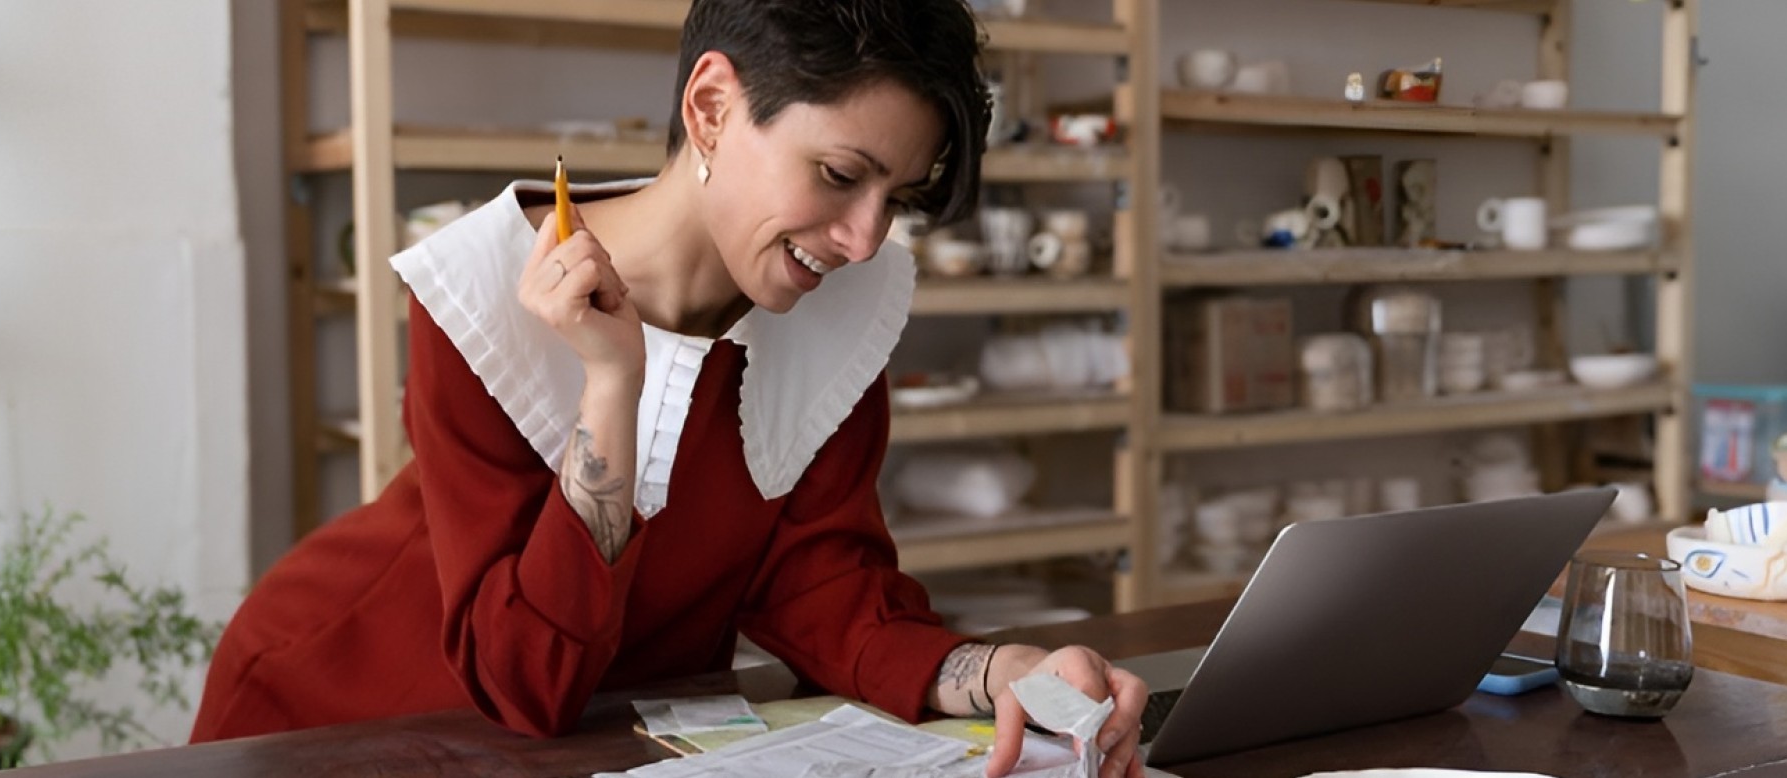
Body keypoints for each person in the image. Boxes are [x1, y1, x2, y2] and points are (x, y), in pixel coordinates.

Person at [190, 1, 1146, 775]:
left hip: (608, 738)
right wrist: (612, 383)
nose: (862, 239)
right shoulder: (481, 291)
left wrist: (1004, 671)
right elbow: (527, 683)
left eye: (892, 199)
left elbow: (829, 592)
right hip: (343, 715)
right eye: (839, 174)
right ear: (713, 108)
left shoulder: (832, 308)